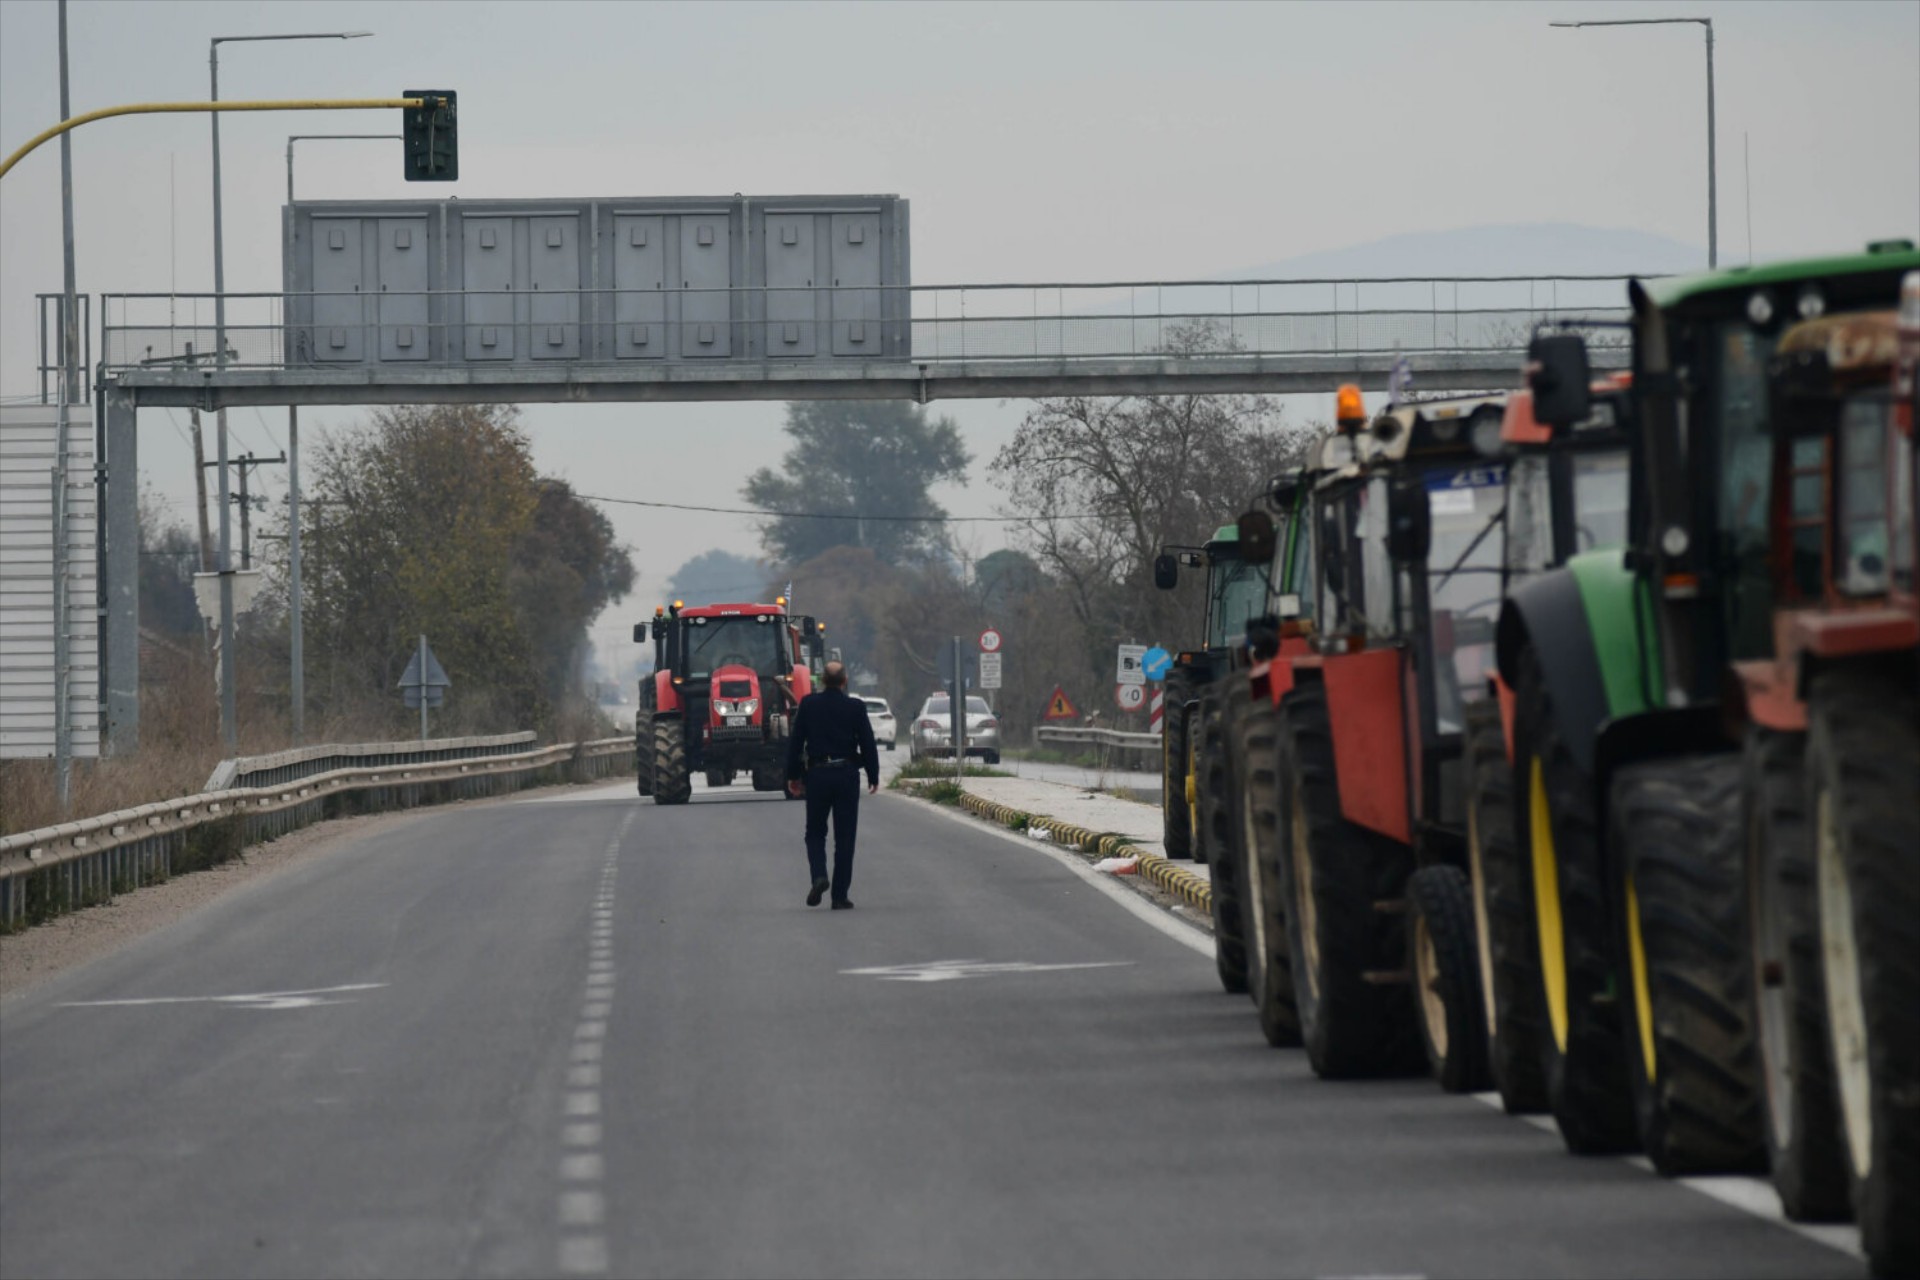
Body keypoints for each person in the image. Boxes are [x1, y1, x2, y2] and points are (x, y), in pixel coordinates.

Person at [785, 661, 880, 909]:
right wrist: (873, 775)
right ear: (845, 681)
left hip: (817, 776)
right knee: (845, 838)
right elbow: (867, 743)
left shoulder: (808, 704)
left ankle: (819, 876)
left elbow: (796, 742)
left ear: (822, 681)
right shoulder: (855, 707)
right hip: (847, 775)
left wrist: (792, 776)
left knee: (815, 833)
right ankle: (839, 896)